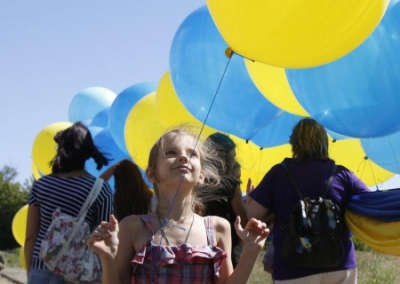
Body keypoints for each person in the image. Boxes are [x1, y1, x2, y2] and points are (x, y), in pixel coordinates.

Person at [88, 126, 269, 284]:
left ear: (201, 176)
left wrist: (251, 251)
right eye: (171, 153)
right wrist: (107, 258)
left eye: (192, 154)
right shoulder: (133, 227)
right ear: (151, 174)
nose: (183, 157)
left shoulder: (217, 227)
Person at [247, 118, 371, 284]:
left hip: (293, 268)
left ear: (294, 143)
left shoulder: (279, 173)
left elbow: (254, 215)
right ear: (324, 143)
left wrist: (252, 201)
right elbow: (370, 205)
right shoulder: (341, 174)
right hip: (339, 264)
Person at [24, 122, 114, 284]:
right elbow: (105, 239)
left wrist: (31, 273)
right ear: (87, 152)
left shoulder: (41, 185)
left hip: (40, 269)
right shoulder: (101, 190)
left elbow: (30, 236)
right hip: (78, 273)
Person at [203, 133, 248, 268]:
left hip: (197, 243)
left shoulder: (195, 182)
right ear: (224, 158)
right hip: (224, 248)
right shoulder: (230, 185)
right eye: (233, 156)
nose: (235, 161)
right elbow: (244, 222)